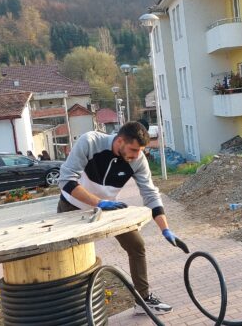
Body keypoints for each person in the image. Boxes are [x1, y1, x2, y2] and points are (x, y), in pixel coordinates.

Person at [57, 122, 177, 315]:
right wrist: (98, 202)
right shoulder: (89, 142)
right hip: (73, 205)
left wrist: (165, 229)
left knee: (136, 245)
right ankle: (70, 310)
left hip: (108, 207)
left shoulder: (137, 159)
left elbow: (150, 194)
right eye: (134, 149)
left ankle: (143, 300)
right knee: (68, 258)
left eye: (140, 151)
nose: (137, 156)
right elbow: (65, 180)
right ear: (120, 140)